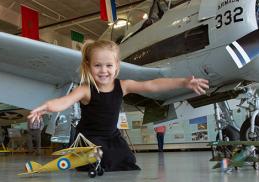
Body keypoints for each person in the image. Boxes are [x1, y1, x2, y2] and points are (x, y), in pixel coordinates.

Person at [28, 40, 209, 171]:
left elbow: (152, 85)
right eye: (98, 65)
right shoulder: (86, 89)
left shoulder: (123, 86)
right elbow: (64, 101)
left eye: (108, 65)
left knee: (128, 161)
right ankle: (85, 159)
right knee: (97, 159)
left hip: (112, 137)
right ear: (88, 66)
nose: (103, 70)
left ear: (117, 67)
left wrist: (184, 82)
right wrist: (46, 106)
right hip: (90, 138)